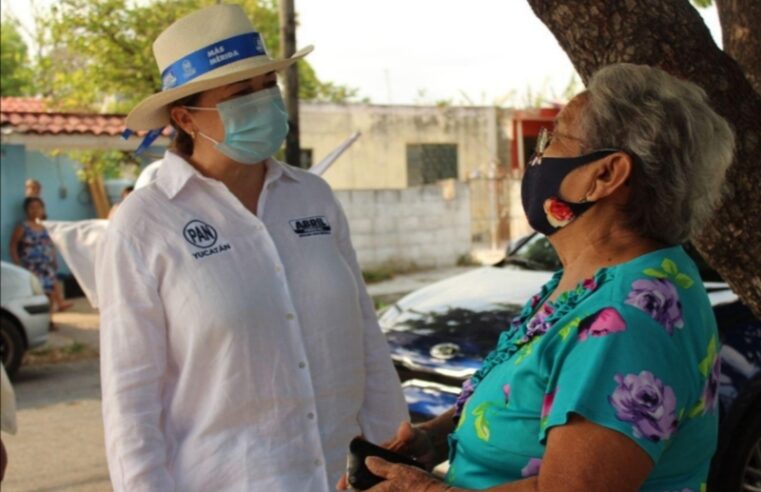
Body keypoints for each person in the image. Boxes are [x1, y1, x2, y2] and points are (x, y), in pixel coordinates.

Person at [341, 64, 734, 492]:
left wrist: (420, 489)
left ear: (604, 175)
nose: (539, 155)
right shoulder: (593, 280)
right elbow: (530, 395)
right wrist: (437, 438)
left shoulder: (626, 316)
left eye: (553, 139)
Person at [97, 5, 407, 491]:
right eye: (241, 94)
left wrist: (396, 460)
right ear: (185, 117)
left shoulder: (313, 196)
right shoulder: (144, 224)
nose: (263, 102)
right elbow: (130, 402)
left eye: (267, 86)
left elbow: (364, 335)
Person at [9, 197, 73, 312]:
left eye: (38, 207)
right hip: (32, 267)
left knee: (50, 293)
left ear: (43, 209)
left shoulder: (45, 226)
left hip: (47, 266)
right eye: (31, 208)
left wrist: (54, 260)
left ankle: (50, 318)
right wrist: (17, 263)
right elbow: (13, 245)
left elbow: (50, 245)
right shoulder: (23, 227)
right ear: (26, 210)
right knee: (39, 293)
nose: (35, 210)